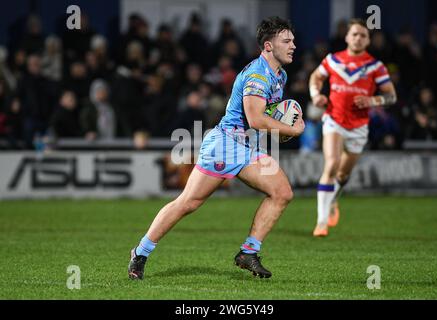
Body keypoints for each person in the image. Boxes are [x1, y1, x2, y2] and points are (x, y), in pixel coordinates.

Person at [128, 16, 304, 280]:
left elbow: (264, 117)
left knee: (282, 192)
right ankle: (140, 252)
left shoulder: (280, 74)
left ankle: (248, 252)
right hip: (225, 145)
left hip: (247, 147)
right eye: (286, 41)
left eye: (293, 40)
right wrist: (293, 129)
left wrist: (281, 126)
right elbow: (255, 118)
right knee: (188, 203)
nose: (293, 45)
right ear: (268, 46)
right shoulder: (258, 75)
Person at [309, 19, 397, 237]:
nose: (358, 38)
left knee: (343, 174)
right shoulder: (333, 60)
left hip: (359, 126)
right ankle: (321, 223)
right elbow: (316, 77)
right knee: (331, 164)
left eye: (363, 35)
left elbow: (391, 96)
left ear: (368, 40)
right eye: (354, 34)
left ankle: (333, 201)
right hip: (334, 119)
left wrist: (372, 101)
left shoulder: (375, 66)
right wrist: (315, 95)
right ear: (347, 37)